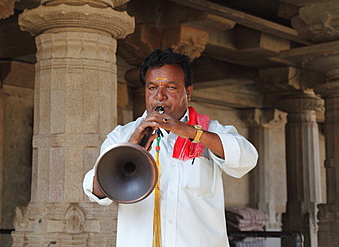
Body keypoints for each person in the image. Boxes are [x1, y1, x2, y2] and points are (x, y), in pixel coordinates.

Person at [83, 48, 258, 247]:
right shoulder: (122, 136)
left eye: (171, 87)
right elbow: (96, 192)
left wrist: (192, 133)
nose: (160, 96)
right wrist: (131, 147)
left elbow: (248, 158)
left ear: (188, 92)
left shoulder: (210, 130)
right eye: (152, 88)